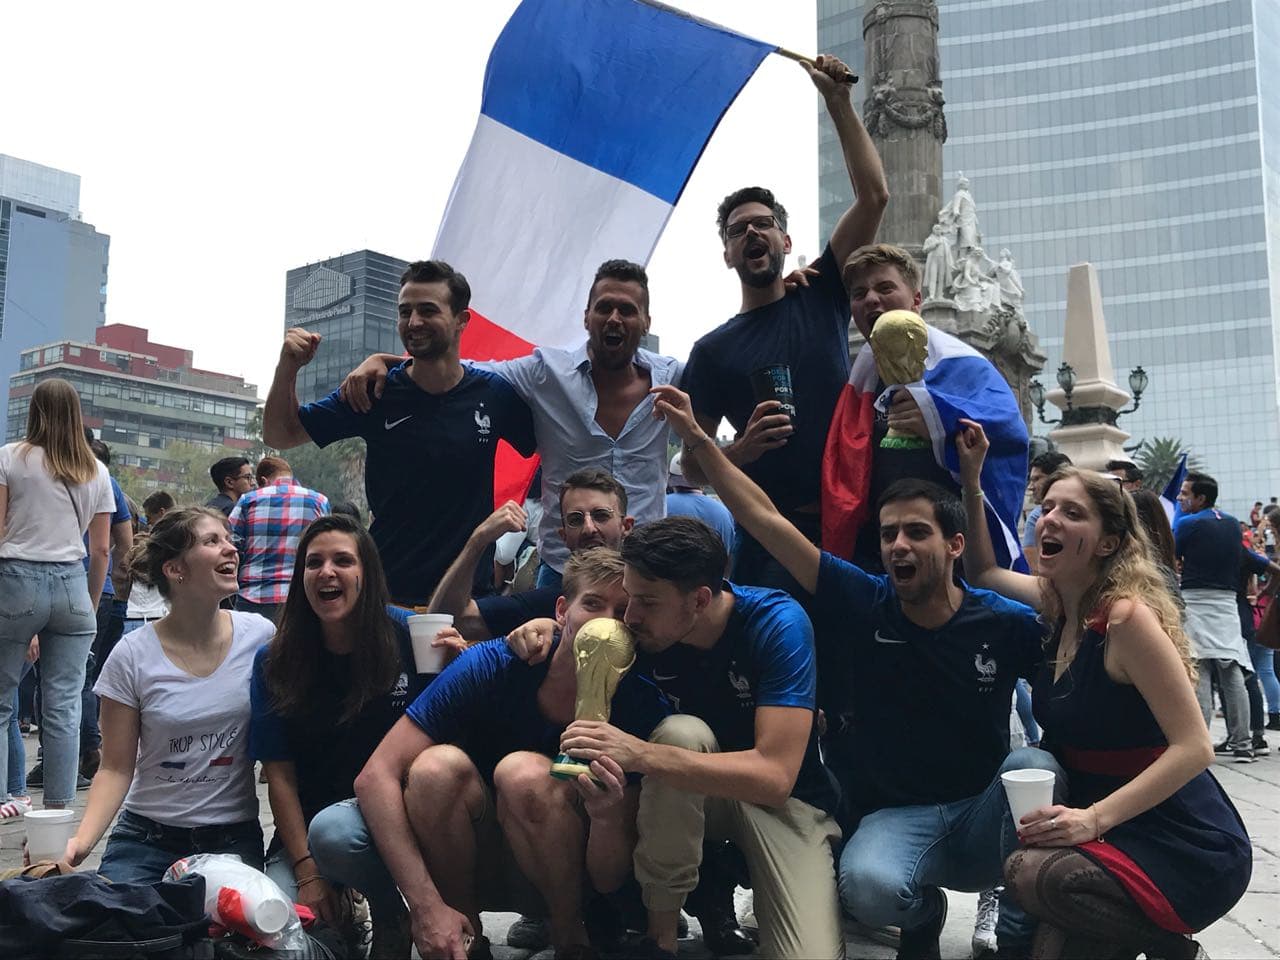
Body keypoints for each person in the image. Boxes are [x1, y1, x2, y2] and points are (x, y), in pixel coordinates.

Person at [648, 385, 1057, 958]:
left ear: (956, 544)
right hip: (895, 820)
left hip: (979, 816)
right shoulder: (865, 600)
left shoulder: (1005, 622)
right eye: (888, 533)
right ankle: (922, 914)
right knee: (867, 889)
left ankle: (1018, 926)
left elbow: (1073, 675)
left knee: (1035, 763)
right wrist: (696, 439)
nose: (898, 545)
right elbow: (764, 520)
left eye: (917, 531)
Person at [957, 421, 1251, 960]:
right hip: (1103, 836)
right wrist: (972, 479)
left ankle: (1174, 950)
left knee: (1028, 873)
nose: (1051, 518)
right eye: (1047, 507)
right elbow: (982, 572)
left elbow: (1196, 746)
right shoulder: (1055, 601)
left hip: (1178, 838)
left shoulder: (1124, 619)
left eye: (1073, 512)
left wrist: (1093, 819)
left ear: (1108, 542)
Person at [348, 548, 670, 959]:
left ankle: (570, 938)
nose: (606, 620)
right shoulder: (493, 664)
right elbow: (374, 776)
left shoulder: (641, 703)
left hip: (577, 875)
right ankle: (464, 936)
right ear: (561, 611)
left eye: (622, 610)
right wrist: (426, 908)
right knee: (433, 769)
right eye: (592, 603)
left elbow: (610, 878)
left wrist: (607, 817)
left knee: (524, 774)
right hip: (476, 856)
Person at [339, 259, 682, 591]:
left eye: (627, 310)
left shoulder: (673, 377)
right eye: (604, 308)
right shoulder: (546, 372)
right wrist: (388, 362)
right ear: (586, 317)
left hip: (647, 573)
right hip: (563, 573)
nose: (614, 318)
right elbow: (462, 372)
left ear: (647, 321)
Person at [681, 53, 887, 588]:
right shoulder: (711, 351)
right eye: (737, 230)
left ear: (786, 242)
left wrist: (838, 101)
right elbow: (692, 465)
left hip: (856, 521)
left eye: (764, 225)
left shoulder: (821, 292)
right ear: (727, 254)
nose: (752, 234)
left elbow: (874, 195)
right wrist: (743, 448)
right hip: (770, 538)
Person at [263, 260, 537, 606]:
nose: (414, 322)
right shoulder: (373, 391)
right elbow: (280, 434)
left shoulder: (494, 395)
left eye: (428, 310)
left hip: (467, 601)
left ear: (461, 321)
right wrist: (288, 366)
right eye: (405, 311)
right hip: (386, 599)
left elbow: (548, 446)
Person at [59, 507, 271, 882]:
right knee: (118, 932)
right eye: (212, 541)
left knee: (232, 937)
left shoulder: (260, 637)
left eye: (229, 539)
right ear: (176, 570)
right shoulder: (131, 655)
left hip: (231, 838)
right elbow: (114, 767)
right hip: (146, 839)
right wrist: (79, 843)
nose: (231, 549)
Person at [250, 514, 426, 956]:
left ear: (366, 573)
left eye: (343, 561)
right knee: (279, 929)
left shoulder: (409, 636)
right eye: (314, 563)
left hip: (397, 821)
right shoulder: (274, 660)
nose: (327, 572)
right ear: (301, 577)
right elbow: (280, 776)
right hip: (307, 831)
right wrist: (308, 873)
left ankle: (391, 915)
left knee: (337, 834)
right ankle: (350, 914)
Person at [0, 379, 113, 813]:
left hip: (16, 579)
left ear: (34, 410)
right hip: (72, 583)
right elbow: (101, 548)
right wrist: (89, 600)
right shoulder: (96, 471)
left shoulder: (11, 458)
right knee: (64, 705)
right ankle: (59, 805)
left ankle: (4, 800)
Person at [429, 468, 633, 644]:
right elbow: (451, 619)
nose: (589, 528)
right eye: (575, 520)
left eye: (601, 515)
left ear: (626, 526)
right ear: (564, 536)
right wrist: (478, 541)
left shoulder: (652, 591)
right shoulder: (547, 602)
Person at [1175, 473, 1263, 761]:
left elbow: (1172, 554)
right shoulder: (1231, 524)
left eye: (1185, 493)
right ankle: (1243, 744)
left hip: (1196, 601)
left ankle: (1199, 744)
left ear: (1200, 498)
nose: (1180, 497)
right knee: (1231, 670)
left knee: (1199, 670)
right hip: (1226, 604)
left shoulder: (1189, 523)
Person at [229, 455, 330, 623]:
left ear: (263, 480)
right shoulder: (319, 502)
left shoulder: (248, 500)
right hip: (300, 596)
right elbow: (328, 547)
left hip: (253, 596)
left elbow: (231, 545)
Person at [122, 491, 176, 635]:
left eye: (149, 517)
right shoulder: (180, 547)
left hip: (134, 616)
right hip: (161, 616)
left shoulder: (145, 547)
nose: (148, 522)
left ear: (162, 512)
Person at [665, 453, 734, 562]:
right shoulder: (724, 512)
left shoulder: (661, 506)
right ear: (703, 480)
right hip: (712, 577)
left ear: (670, 479)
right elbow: (729, 558)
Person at [1023, 451, 1072, 574]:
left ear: (1056, 478)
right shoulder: (1035, 516)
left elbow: (1035, 570)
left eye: (1037, 479)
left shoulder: (1037, 517)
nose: (1030, 486)